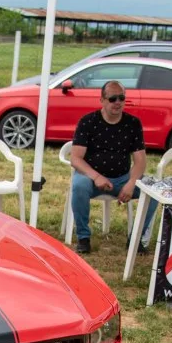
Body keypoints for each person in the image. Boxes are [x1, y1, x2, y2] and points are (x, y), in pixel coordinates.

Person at [68, 81, 156, 254]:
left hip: (123, 177)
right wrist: (96, 177)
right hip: (91, 178)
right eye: (112, 98)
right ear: (101, 100)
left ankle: (135, 239)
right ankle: (83, 238)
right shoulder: (88, 122)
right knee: (79, 185)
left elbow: (140, 161)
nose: (117, 102)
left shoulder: (133, 123)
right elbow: (76, 159)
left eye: (121, 98)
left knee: (153, 192)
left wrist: (131, 183)